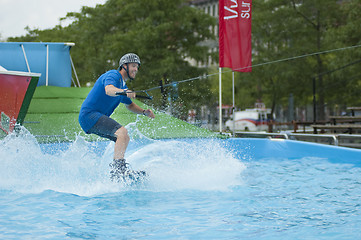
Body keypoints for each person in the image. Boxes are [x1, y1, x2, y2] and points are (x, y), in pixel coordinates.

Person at [78, 53, 155, 181]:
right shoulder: (113, 75)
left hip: (93, 118)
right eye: (134, 66)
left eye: (137, 67)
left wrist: (144, 112)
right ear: (124, 66)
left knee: (125, 137)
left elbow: (130, 106)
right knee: (122, 132)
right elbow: (109, 90)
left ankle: (120, 171)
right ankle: (118, 171)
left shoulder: (122, 86)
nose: (136, 69)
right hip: (89, 115)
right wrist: (125, 92)